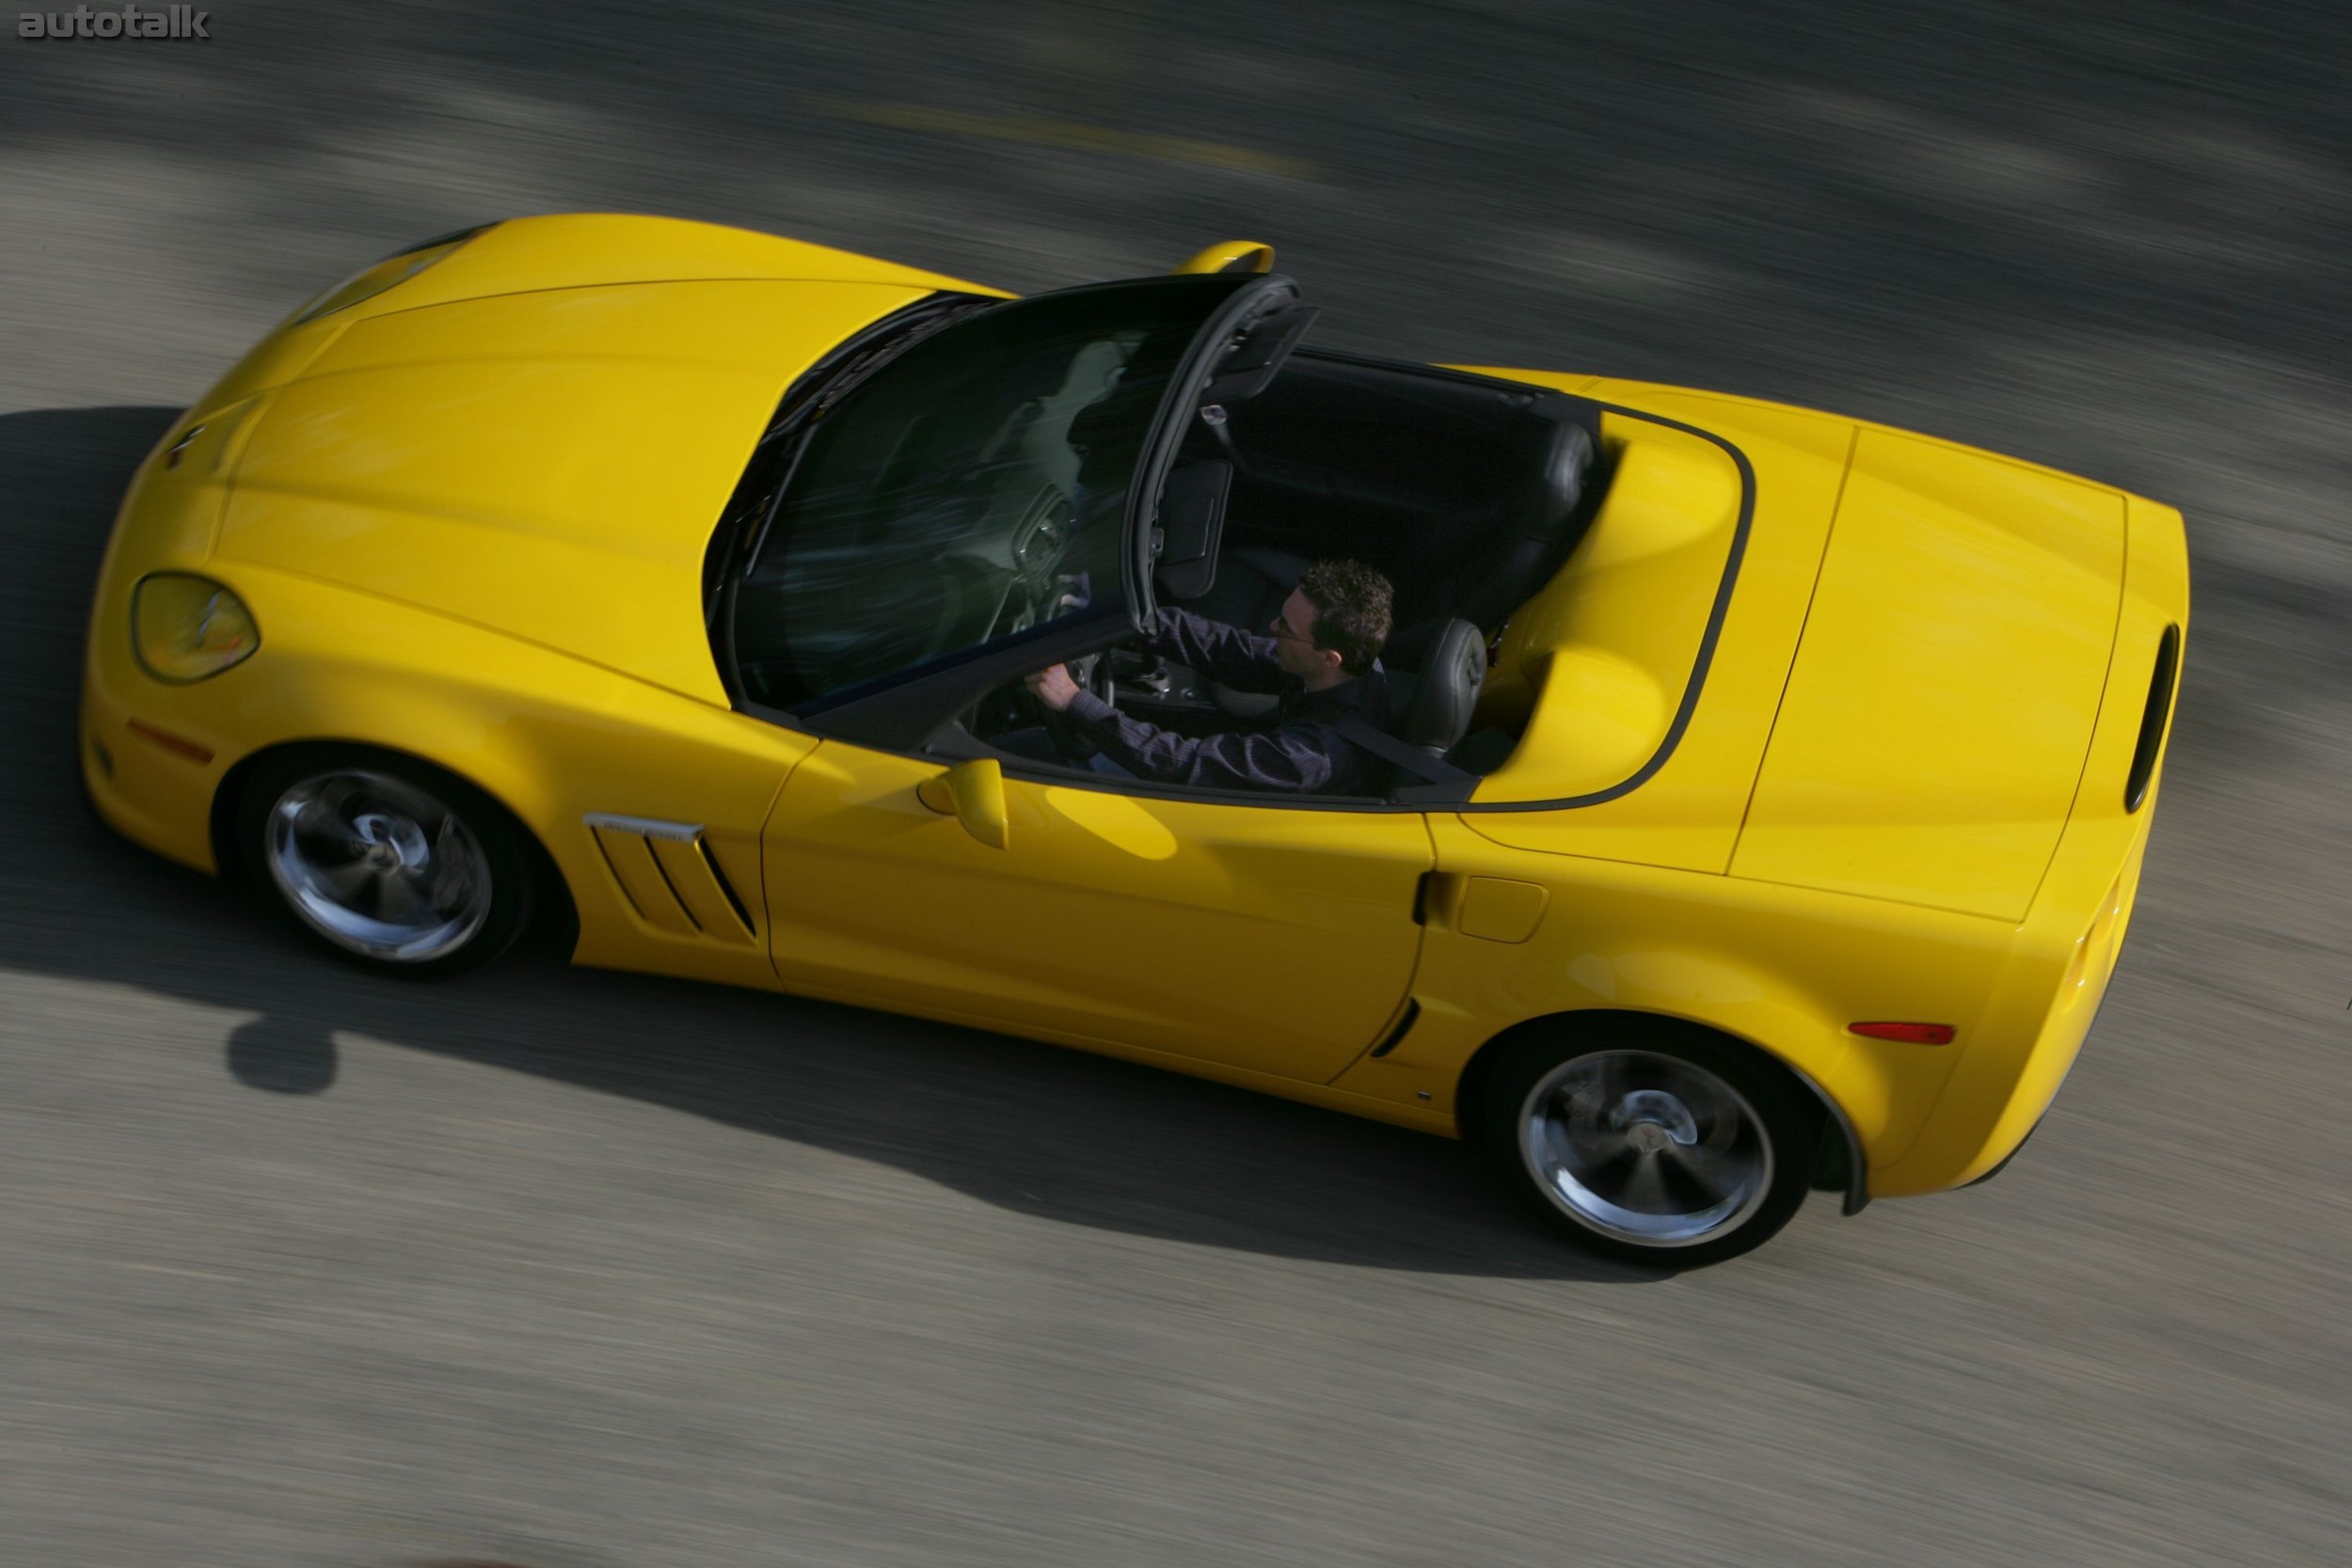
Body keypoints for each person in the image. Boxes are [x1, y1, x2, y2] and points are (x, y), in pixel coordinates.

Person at [1020, 558, 1397, 795]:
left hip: (1230, 821)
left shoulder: (1310, 758)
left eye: (1285, 628)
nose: (1271, 626)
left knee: (1064, 763)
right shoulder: (1346, 670)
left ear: (1329, 658)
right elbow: (1224, 648)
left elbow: (1183, 764)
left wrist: (1074, 701)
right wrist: (1123, 617)